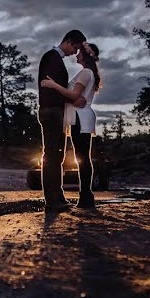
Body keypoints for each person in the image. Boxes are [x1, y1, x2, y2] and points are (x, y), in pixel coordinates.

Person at [42, 42, 102, 208]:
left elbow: (74, 94)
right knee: (83, 156)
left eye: (79, 52)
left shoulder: (85, 73)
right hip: (83, 116)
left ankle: (85, 196)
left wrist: (54, 85)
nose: (76, 54)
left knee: (82, 157)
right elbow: (77, 97)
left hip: (80, 117)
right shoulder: (89, 73)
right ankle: (86, 196)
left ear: (85, 56)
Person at [37, 30, 87, 210]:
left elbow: (56, 89)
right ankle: (52, 201)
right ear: (68, 42)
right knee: (51, 155)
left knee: (56, 155)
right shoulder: (51, 57)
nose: (75, 53)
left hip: (55, 111)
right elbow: (50, 89)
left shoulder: (55, 59)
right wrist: (72, 98)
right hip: (51, 112)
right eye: (76, 48)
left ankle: (57, 197)